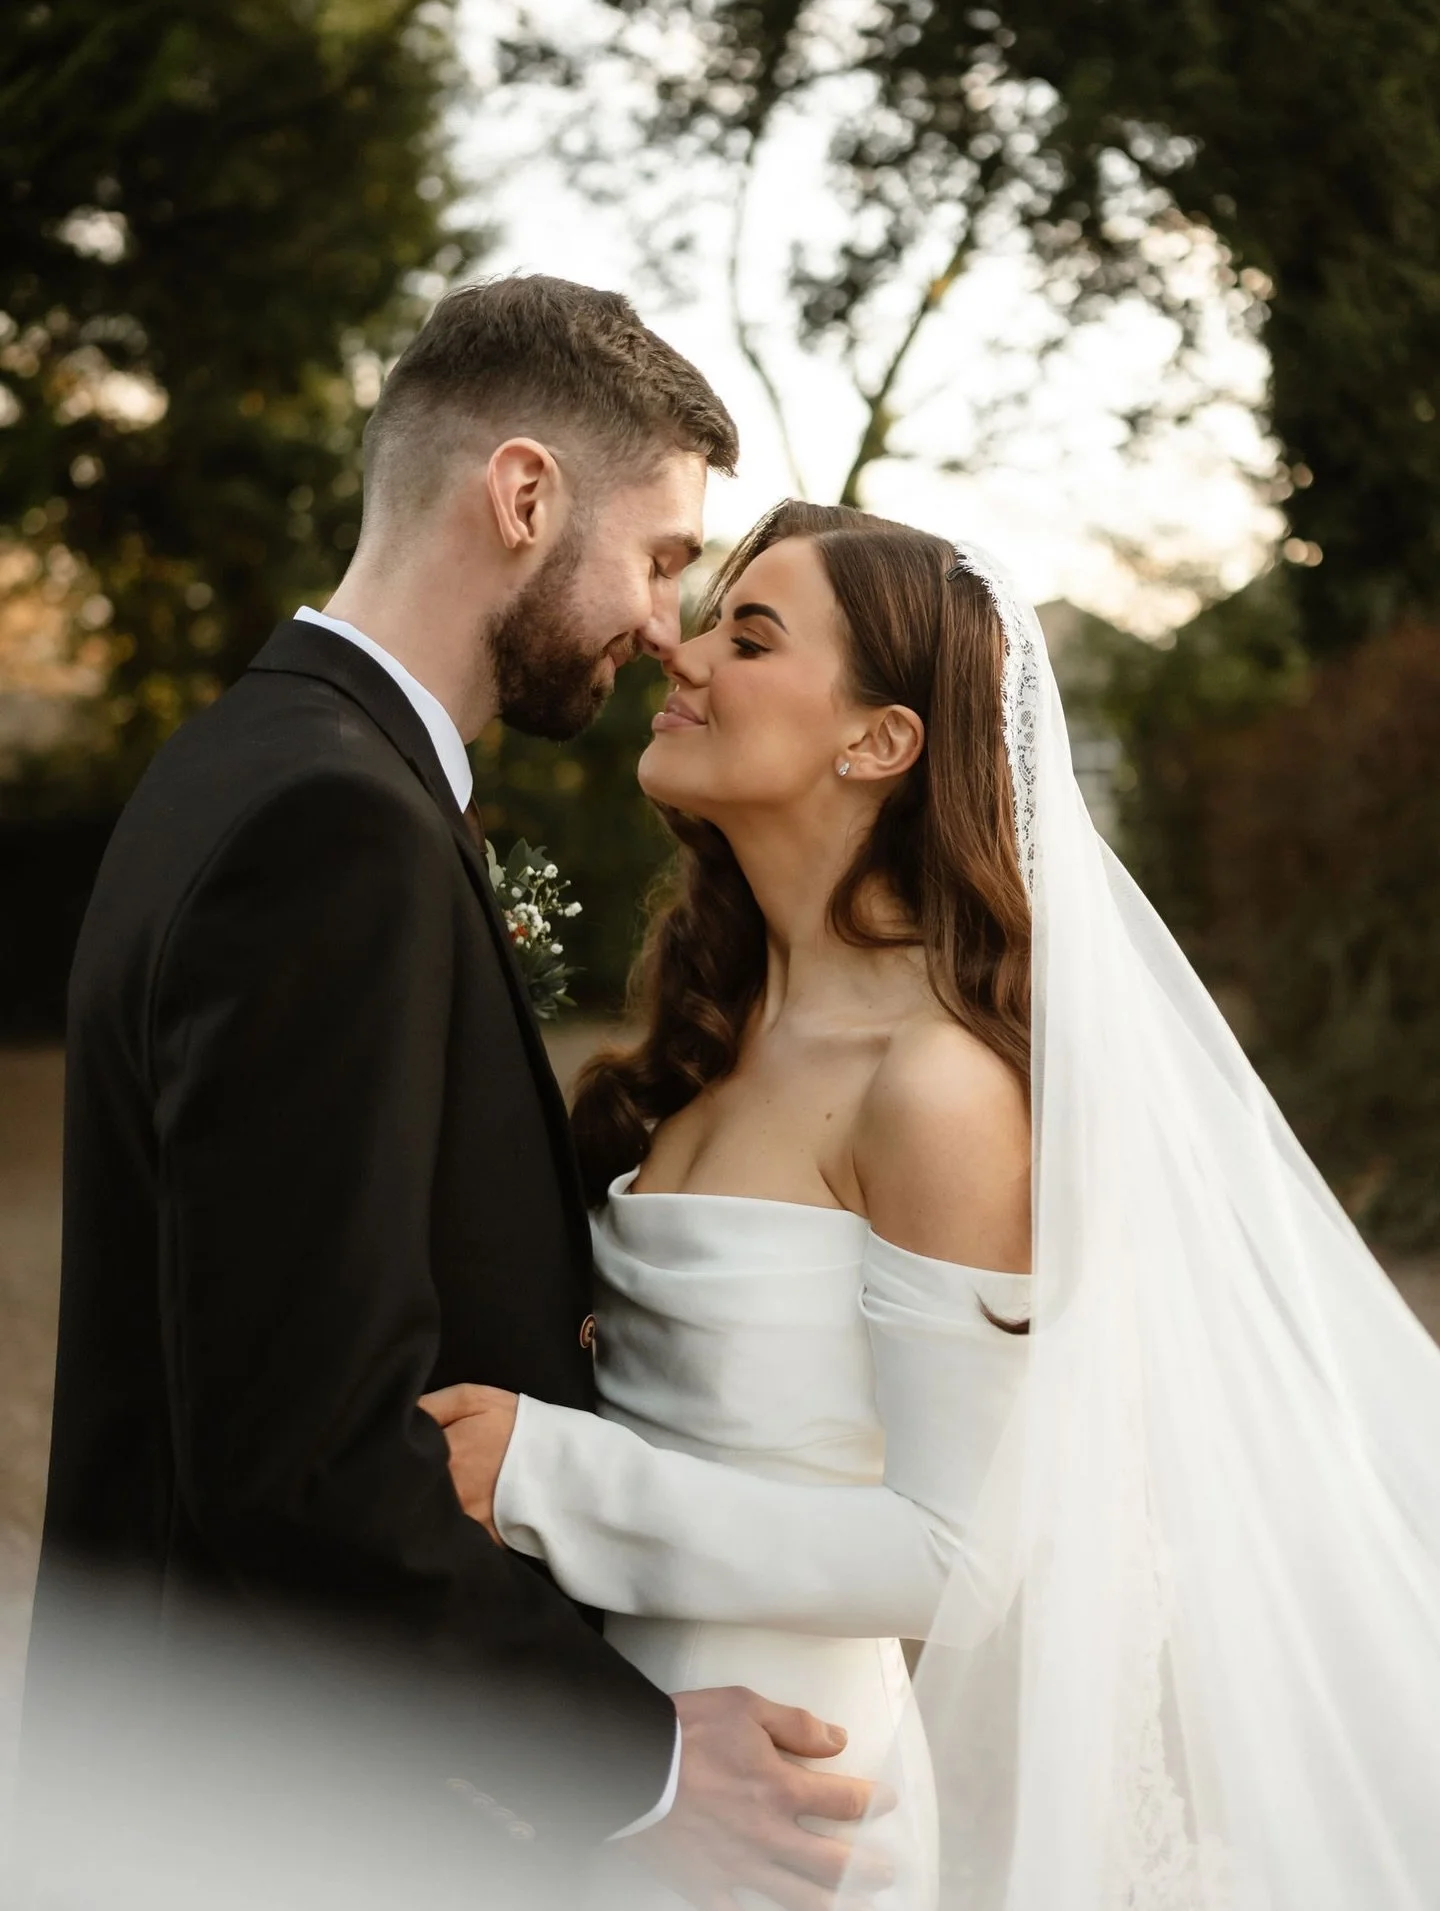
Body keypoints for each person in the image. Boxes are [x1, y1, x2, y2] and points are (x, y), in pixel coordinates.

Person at [429, 499, 1440, 1911]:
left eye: (751, 634)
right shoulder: (716, 1034)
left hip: (790, 1807)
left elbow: (962, 1557)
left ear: (880, 739)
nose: (686, 654)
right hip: (622, 1764)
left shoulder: (938, 1089)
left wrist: (545, 1473)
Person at [19, 289, 888, 1911]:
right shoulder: (335, 828)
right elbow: (300, 1451)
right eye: (660, 557)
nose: (659, 628)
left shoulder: (261, 759)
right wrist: (633, 1765)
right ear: (523, 496)